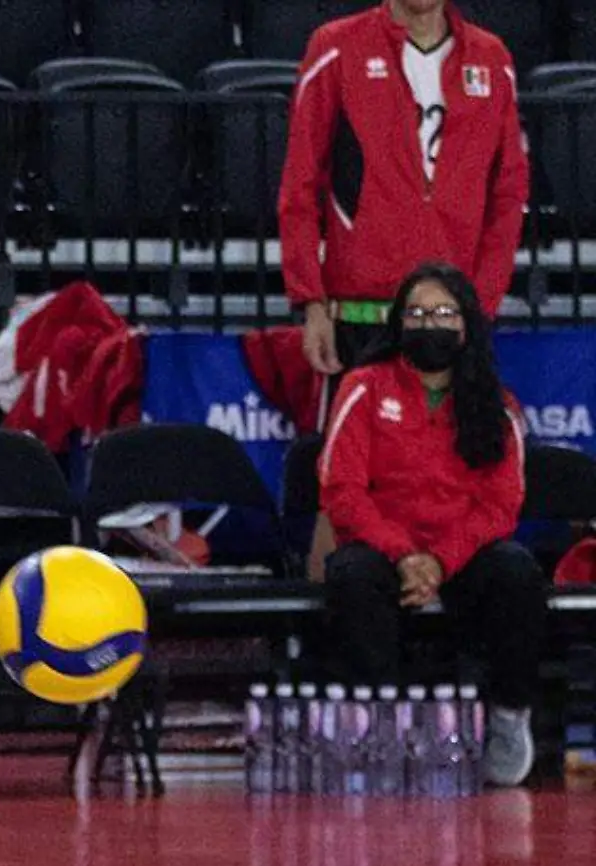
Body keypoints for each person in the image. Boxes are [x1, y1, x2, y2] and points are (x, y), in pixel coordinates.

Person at [319, 262, 544, 787]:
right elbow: (341, 489)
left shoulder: (496, 405)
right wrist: (404, 555)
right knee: (350, 575)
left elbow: (500, 506)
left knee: (518, 573)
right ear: (399, 325)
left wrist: (440, 560)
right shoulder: (364, 387)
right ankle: (382, 726)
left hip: (458, 552)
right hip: (384, 548)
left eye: (444, 313)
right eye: (417, 313)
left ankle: (509, 716)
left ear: (466, 327)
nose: (430, 324)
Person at [279, 0, 529, 387]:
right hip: (358, 318)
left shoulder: (491, 58)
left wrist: (481, 304)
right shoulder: (336, 47)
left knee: (453, 446)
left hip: (451, 318)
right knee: (353, 445)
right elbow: (300, 183)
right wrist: (311, 302)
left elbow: (509, 193)